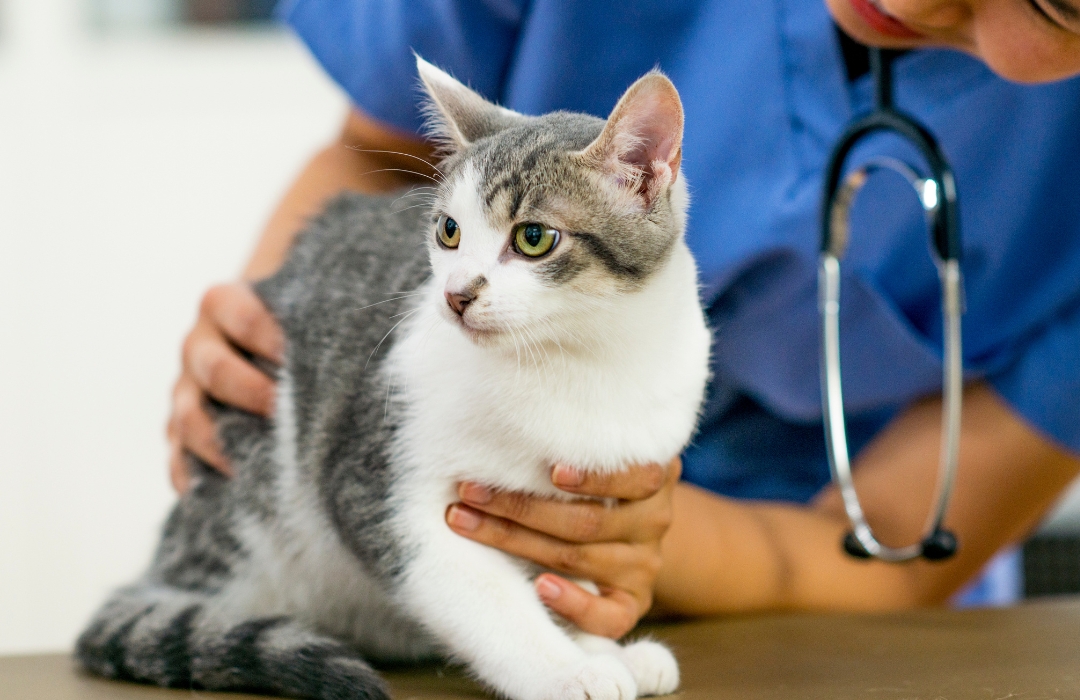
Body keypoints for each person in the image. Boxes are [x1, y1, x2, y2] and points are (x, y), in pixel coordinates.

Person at [168, 0, 1080, 639]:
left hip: (824, 609)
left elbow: (900, 546)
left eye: (1049, 5)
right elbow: (378, 162)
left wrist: (626, 534)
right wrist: (277, 351)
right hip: (432, 530)